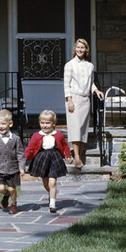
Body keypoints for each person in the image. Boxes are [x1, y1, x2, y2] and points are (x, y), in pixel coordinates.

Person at [64, 38, 104, 169]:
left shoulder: (90, 66)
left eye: (83, 47)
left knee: (82, 129)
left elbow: (90, 83)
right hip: (74, 99)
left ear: (86, 50)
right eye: (78, 47)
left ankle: (79, 155)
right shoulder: (69, 65)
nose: (80, 50)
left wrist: (96, 90)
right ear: (75, 49)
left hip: (86, 100)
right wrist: (69, 100)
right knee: (75, 128)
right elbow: (66, 85)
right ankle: (76, 157)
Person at [24, 110, 71, 213]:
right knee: (46, 182)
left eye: (47, 123)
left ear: (53, 124)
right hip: (42, 159)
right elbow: (30, 148)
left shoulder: (58, 135)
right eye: (42, 123)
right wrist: (24, 159)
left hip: (54, 158)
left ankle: (52, 204)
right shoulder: (36, 135)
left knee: (52, 182)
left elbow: (64, 146)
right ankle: (51, 194)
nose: (45, 126)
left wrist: (68, 156)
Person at [0, 109, 26, 215]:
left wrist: (21, 167)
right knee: (0, 188)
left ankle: (13, 204)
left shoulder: (16, 139)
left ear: (10, 123)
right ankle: (6, 195)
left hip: (12, 168)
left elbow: (20, 154)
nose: (0, 126)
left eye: (3, 124)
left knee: (12, 189)